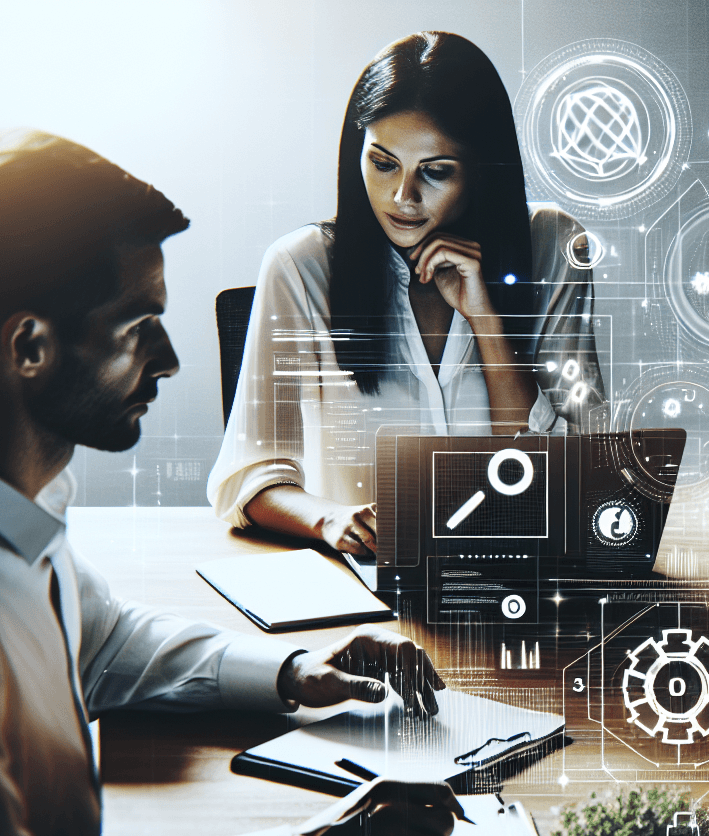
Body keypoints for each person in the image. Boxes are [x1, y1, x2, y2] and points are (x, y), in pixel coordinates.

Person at [0, 130, 462, 836]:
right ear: (29, 346)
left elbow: (100, 643)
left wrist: (300, 674)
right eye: (139, 327)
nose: (170, 360)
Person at [208, 31, 607, 557]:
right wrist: (331, 520)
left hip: (521, 581)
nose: (402, 198)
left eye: (435, 172)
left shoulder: (553, 246)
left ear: (484, 171)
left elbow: (584, 479)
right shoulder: (299, 266)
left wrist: (486, 319)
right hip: (367, 595)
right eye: (382, 163)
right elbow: (250, 477)